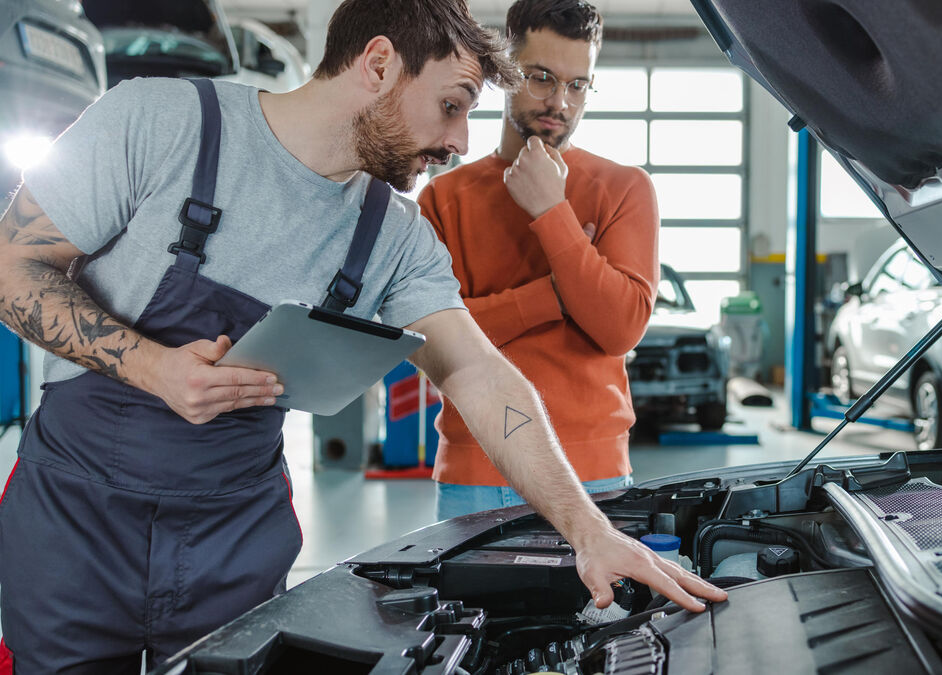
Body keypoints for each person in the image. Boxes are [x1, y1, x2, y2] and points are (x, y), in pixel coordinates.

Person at [0, 0, 723, 670]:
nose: (459, 140)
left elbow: (476, 371)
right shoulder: (160, 122)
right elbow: (11, 266)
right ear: (378, 64)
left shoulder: (392, 234)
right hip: (77, 527)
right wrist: (154, 367)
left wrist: (588, 528)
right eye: (450, 106)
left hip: (232, 539)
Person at [420, 0, 659, 519]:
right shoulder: (442, 200)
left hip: (595, 475)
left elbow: (619, 327)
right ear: (504, 71)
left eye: (579, 85)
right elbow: (435, 346)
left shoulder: (624, 189)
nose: (561, 102)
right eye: (542, 77)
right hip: (475, 473)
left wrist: (551, 210)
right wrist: (556, 294)